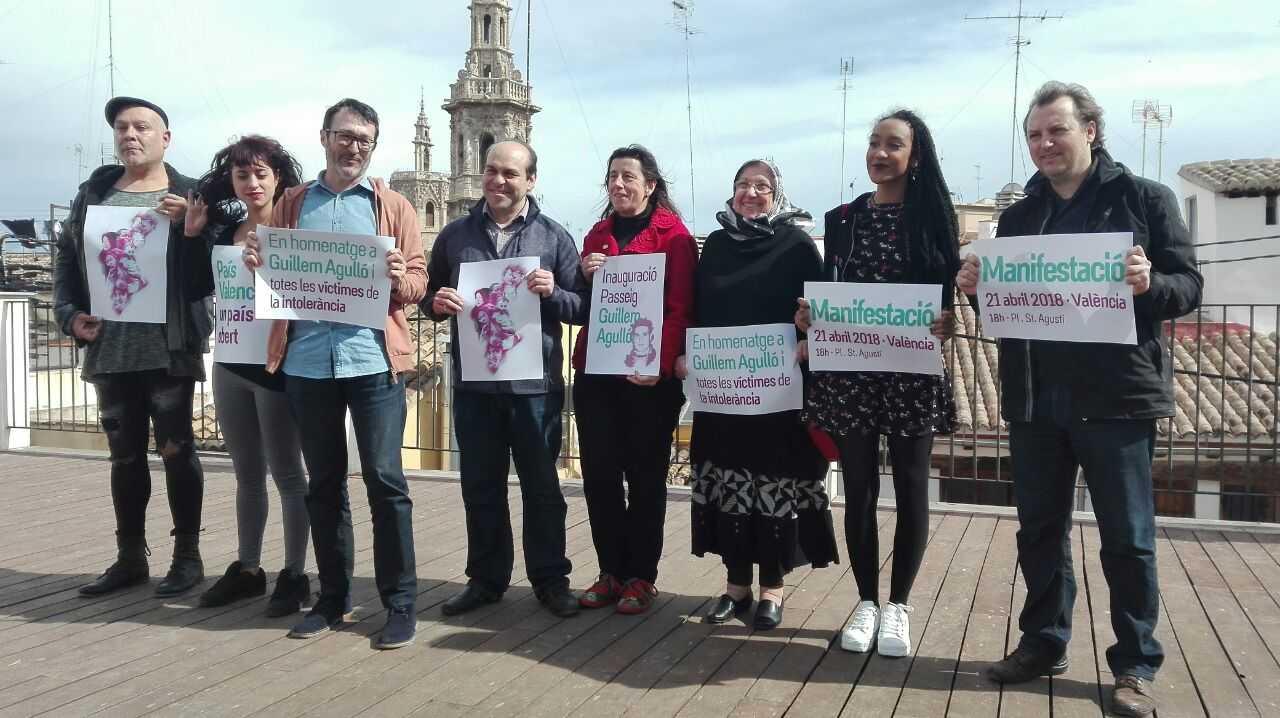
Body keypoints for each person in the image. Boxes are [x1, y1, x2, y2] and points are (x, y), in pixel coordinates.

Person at [956, 82, 1201, 717]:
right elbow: (1005, 310)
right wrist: (977, 286)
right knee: (1039, 529)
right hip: (1035, 397)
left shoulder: (1144, 198)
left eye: (1056, 131)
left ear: (1090, 129)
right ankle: (1043, 643)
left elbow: (1188, 285)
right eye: (1034, 135)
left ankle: (1135, 665)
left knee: (1128, 536)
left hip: (1117, 398)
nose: (1044, 145)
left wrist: (1151, 285)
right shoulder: (1018, 216)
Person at [242, 98, 427, 649]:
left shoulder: (394, 206)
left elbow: (416, 286)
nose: (354, 148)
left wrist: (398, 278)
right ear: (325, 138)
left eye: (365, 140)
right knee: (322, 485)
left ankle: (399, 603)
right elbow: (268, 275)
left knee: (386, 483)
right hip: (306, 363)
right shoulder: (292, 203)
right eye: (345, 136)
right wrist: (258, 261)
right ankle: (332, 598)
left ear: (374, 147)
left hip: (372, 362)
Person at [796, 110, 959, 657]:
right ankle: (866, 601)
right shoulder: (841, 218)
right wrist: (809, 316)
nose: (879, 154)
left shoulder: (934, 215)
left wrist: (948, 321)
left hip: (911, 369)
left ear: (915, 157)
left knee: (911, 485)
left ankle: (900, 606)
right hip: (850, 369)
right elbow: (828, 288)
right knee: (860, 486)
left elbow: (947, 295)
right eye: (873, 143)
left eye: (893, 145)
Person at [54, 96, 213, 598]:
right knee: (124, 458)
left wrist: (193, 230)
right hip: (110, 349)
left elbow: (209, 274)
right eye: (122, 127)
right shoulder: (93, 195)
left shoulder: (192, 195)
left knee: (176, 451)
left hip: (169, 348)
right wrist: (68, 316)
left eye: (142, 127)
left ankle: (186, 555)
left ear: (165, 138)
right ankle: (129, 557)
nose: (130, 135)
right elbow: (67, 262)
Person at [681, 159, 838, 631]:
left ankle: (772, 587)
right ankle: (735, 587)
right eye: (743, 185)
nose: (751, 193)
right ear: (732, 193)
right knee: (729, 486)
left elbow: (818, 305)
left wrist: (809, 335)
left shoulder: (796, 244)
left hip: (778, 395)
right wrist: (690, 354)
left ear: (777, 193)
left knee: (773, 487)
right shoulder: (717, 246)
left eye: (762, 186)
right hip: (724, 393)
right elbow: (699, 308)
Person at [184, 135, 312, 616]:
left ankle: (295, 574)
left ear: (279, 177)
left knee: (287, 474)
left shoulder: (296, 230)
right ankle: (249, 568)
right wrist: (194, 234)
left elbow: (309, 294)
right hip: (231, 362)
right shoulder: (225, 232)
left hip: (276, 366)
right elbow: (198, 286)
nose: (252, 182)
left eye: (261, 173)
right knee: (246, 476)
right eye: (243, 175)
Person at [573, 145, 697, 614]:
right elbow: (585, 303)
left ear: (649, 184)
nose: (619, 185)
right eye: (612, 177)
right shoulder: (598, 234)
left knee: (645, 477)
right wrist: (585, 274)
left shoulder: (676, 236)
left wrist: (658, 362)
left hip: (649, 378)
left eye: (628, 177)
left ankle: (641, 575)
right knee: (600, 474)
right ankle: (610, 571)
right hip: (598, 372)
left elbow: (682, 308)